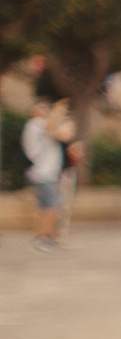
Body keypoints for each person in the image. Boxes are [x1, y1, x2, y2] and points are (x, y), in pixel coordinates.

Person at [22, 99, 72, 254]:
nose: (47, 111)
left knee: (43, 206)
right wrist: (58, 111)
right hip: (45, 172)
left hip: (41, 172)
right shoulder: (37, 124)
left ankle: (39, 237)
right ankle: (46, 238)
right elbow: (57, 131)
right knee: (51, 206)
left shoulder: (33, 126)